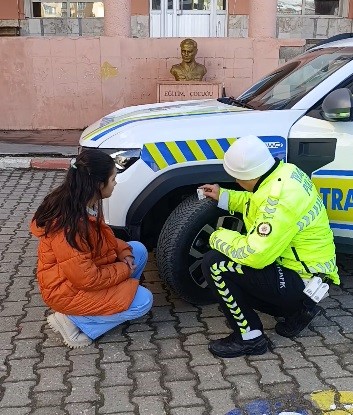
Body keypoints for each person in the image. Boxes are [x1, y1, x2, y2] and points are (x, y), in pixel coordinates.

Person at [199, 135, 339, 359]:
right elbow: (259, 203)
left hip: (299, 282)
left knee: (215, 264)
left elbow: (255, 255)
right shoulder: (284, 173)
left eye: (237, 178)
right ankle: (298, 312)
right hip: (312, 275)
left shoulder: (279, 199)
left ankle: (250, 339)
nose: (235, 182)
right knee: (237, 270)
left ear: (251, 175)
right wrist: (223, 196)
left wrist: (217, 237)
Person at [30, 150, 153, 349]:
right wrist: (124, 270)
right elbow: (87, 278)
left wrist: (123, 253)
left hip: (81, 277)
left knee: (136, 250)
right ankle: (73, 321)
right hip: (65, 290)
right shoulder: (68, 225)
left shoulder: (85, 203)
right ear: (98, 184)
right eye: (113, 179)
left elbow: (104, 239)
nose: (115, 183)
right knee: (143, 302)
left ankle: (115, 303)